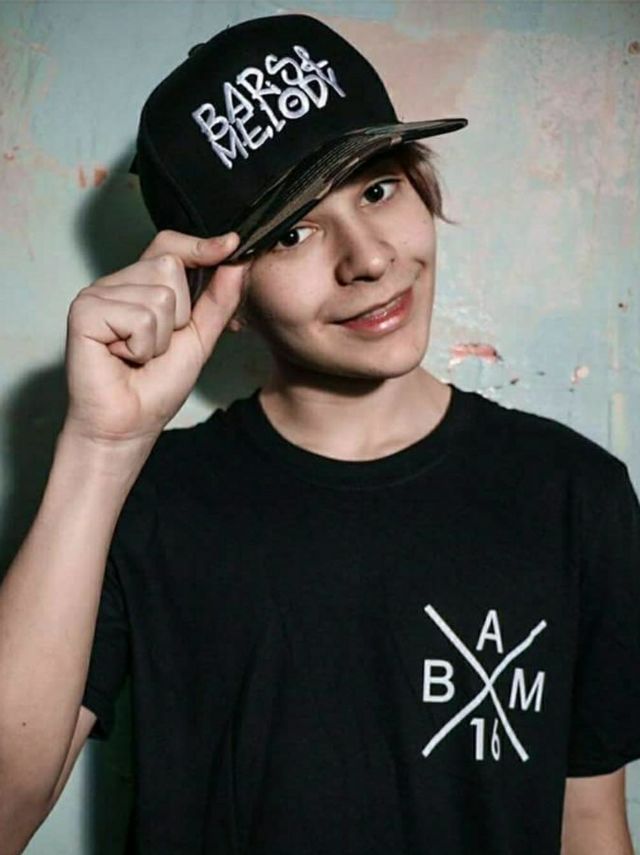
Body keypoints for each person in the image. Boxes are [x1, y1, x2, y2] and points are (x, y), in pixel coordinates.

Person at [1, 12, 639, 855]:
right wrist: (99, 449)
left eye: (377, 189)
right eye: (293, 232)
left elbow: (588, 821)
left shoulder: (574, 493)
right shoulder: (147, 498)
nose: (367, 258)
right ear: (217, 292)